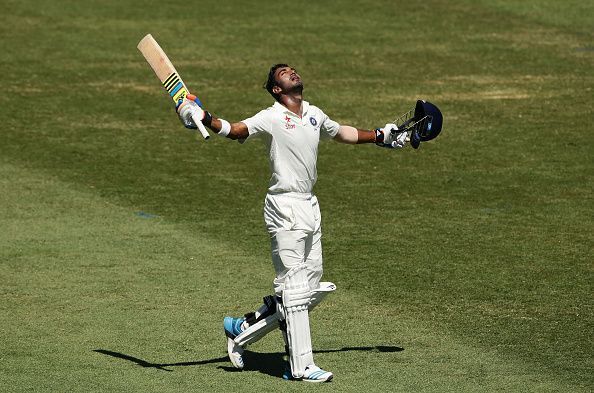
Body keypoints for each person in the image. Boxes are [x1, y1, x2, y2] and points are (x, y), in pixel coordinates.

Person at [177, 64, 408, 383]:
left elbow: (342, 132)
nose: (293, 73)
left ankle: (243, 329)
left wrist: (381, 136)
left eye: (293, 70)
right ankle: (300, 367)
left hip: (310, 205)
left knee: (309, 288)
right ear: (276, 89)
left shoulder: (314, 113)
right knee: (294, 289)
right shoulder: (270, 116)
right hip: (283, 206)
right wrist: (204, 118)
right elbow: (235, 130)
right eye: (284, 73)